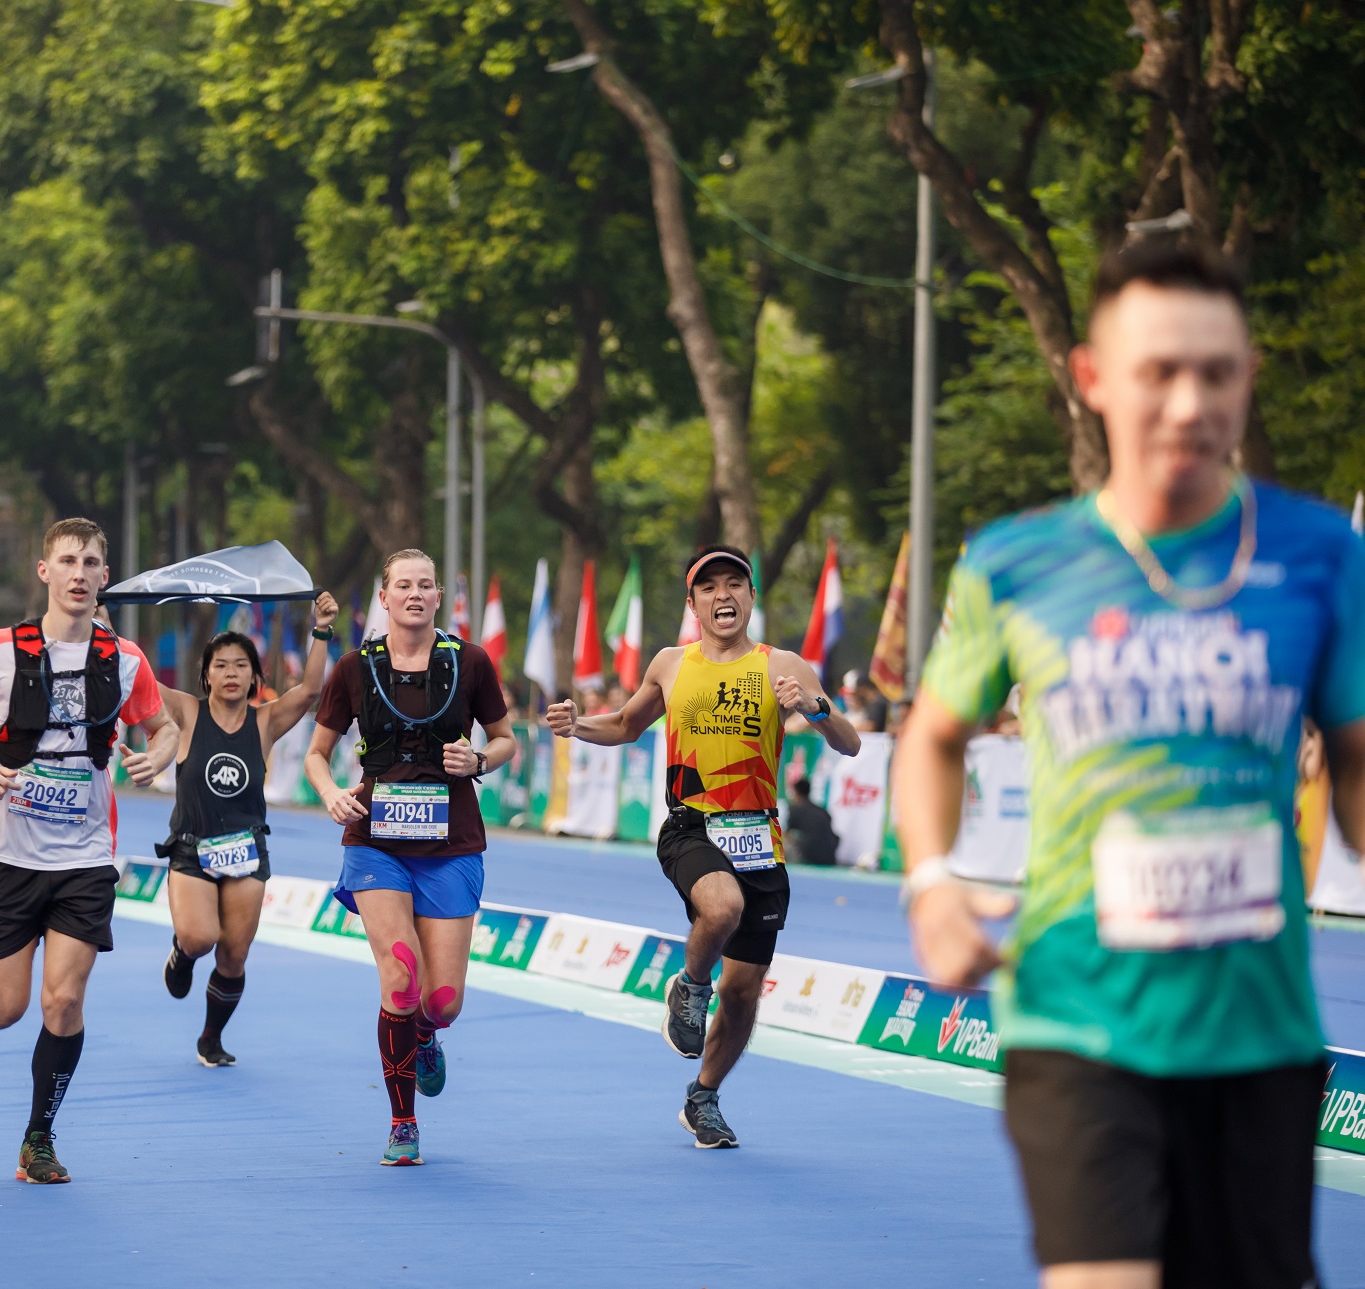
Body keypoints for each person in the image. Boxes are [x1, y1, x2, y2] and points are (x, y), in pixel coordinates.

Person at [893, 243, 1365, 1289]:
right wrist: (931, 884)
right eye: (1158, 370)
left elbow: (1355, 763)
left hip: (1258, 1026)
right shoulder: (1016, 561)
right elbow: (930, 736)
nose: (1189, 401)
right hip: (1076, 1012)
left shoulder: (1320, 553)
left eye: (1217, 370)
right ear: (1093, 377)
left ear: (1246, 376)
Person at [546, 545, 859, 1149]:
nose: (723, 595)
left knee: (742, 992)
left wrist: (814, 708)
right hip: (692, 825)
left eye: (734, 584)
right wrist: (575, 725)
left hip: (759, 838)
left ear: (750, 597)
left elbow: (848, 743)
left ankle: (705, 1096)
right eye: (709, 587)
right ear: (693, 603)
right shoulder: (670, 663)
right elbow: (626, 725)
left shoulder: (781, 666)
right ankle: (690, 986)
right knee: (722, 908)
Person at [0, 517, 178, 1185]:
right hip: (10, 852)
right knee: (9, 1008)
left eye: (91, 562)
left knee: (62, 1003)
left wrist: (155, 758)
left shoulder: (125, 660)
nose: (78, 572)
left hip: (86, 855)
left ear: (104, 577)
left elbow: (165, 727)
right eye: (66, 560)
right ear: (44, 571)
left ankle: (38, 1135)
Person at [304, 550, 516, 1167]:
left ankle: (425, 1036)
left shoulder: (470, 663)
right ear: (386, 596)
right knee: (401, 978)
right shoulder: (353, 669)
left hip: (451, 843)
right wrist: (330, 793)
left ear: (439, 597)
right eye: (404, 585)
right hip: (376, 843)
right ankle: (402, 1122)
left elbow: (504, 741)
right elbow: (317, 753)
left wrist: (478, 761)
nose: (415, 594)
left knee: (441, 1000)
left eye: (426, 585)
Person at [157, 591, 340, 1067]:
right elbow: (135, 679)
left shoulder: (265, 721)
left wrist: (320, 628)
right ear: (205, 675)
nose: (231, 673)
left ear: (255, 677)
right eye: (221, 665)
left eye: (241, 665)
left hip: (245, 851)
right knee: (200, 938)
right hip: (192, 850)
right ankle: (181, 953)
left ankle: (211, 1038)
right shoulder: (187, 712)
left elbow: (311, 691)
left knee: (233, 956)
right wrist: (101, 630)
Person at [781, 776, 838, 867]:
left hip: (809, 857)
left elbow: (786, 834)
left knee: (781, 839)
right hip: (829, 857)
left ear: (796, 792)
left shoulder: (796, 809)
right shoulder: (821, 810)